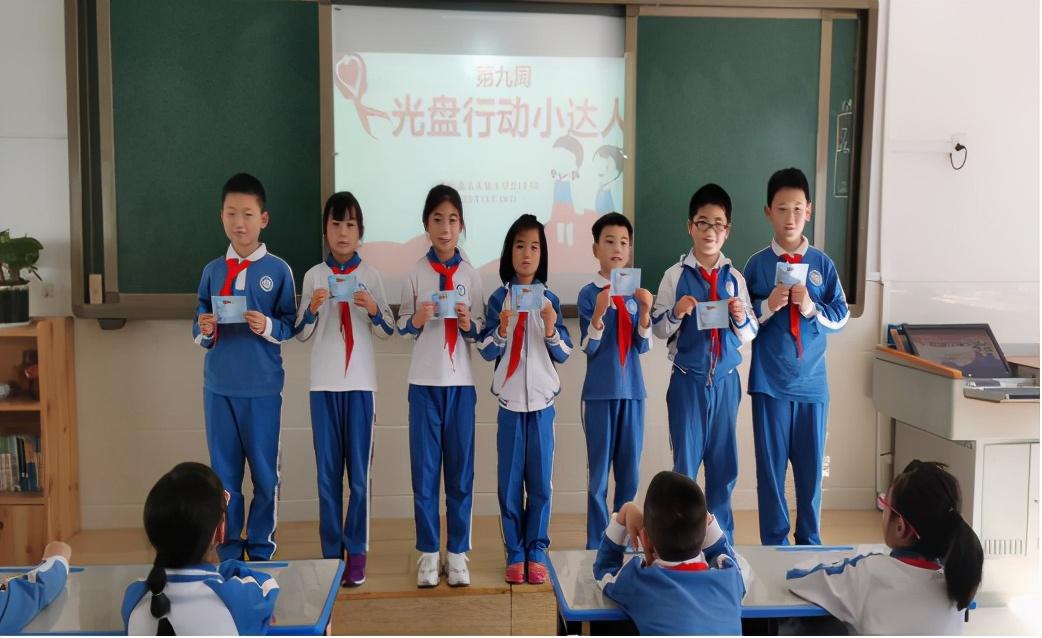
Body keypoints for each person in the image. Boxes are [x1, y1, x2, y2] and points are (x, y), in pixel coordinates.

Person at [296, 191, 395, 586]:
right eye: (336, 224)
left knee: (358, 478)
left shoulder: (371, 276)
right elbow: (301, 334)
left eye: (350, 225)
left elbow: (388, 330)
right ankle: (329, 555)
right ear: (326, 229)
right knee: (327, 477)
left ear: (360, 232)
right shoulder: (313, 276)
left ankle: (357, 552)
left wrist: (372, 308)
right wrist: (312, 309)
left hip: (360, 386)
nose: (342, 232)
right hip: (323, 386)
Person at [397, 185, 485, 588]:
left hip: (460, 385)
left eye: (452, 220)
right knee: (425, 474)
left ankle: (458, 552)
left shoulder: (471, 274)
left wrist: (468, 323)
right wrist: (416, 319)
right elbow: (401, 326)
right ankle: (429, 553)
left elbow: (480, 331)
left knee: (461, 475)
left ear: (461, 225)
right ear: (426, 224)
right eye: (437, 219)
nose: (445, 228)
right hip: (424, 384)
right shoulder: (415, 273)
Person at [787, 460, 984, 635]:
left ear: (900, 527)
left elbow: (798, 578)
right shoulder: (959, 578)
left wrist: (842, 561)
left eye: (885, 505)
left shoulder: (869, 573)